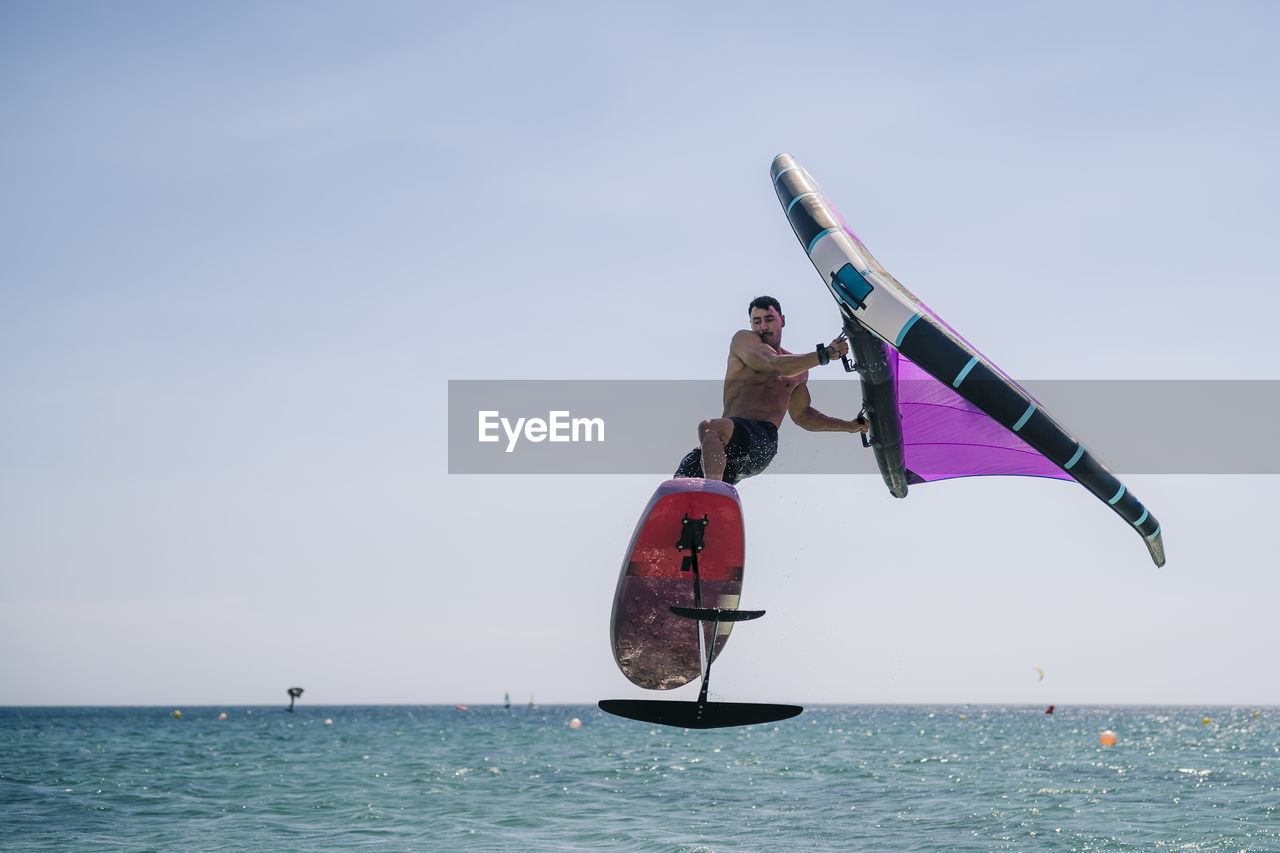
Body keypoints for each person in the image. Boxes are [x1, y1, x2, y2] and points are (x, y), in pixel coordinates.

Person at [674, 296, 868, 484]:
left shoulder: (799, 370)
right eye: (756, 321)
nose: (762, 327)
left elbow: (803, 416)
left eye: (769, 319)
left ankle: (712, 492)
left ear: (782, 321)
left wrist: (848, 426)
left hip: (762, 441)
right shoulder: (743, 341)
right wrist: (824, 355)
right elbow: (773, 365)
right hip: (726, 443)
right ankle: (707, 502)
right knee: (680, 483)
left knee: (709, 427)